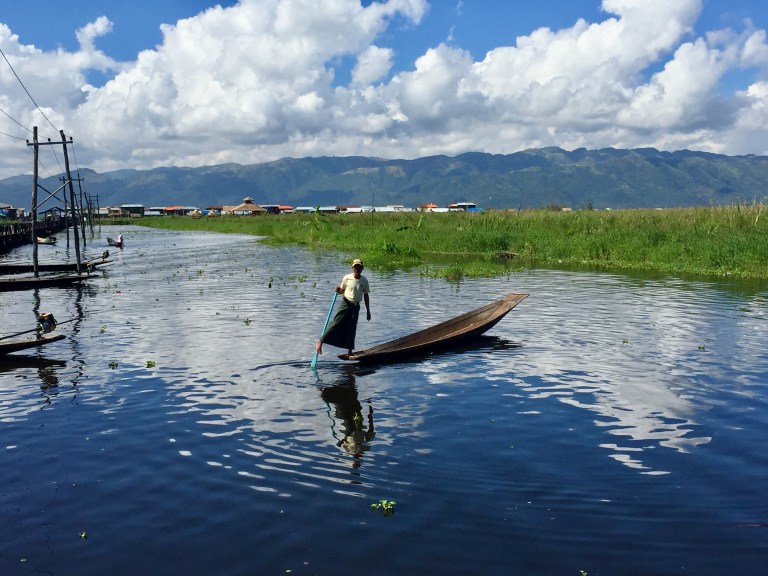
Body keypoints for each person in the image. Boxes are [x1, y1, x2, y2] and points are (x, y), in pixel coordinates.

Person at [315, 258, 371, 356]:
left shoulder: (364, 281)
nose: (357, 269)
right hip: (346, 303)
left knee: (352, 328)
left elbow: (366, 295)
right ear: (352, 268)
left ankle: (349, 351)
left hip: (356, 306)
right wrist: (338, 290)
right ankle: (320, 342)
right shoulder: (347, 278)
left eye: (359, 267)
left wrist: (368, 311)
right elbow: (342, 291)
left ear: (362, 268)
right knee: (336, 322)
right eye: (355, 267)